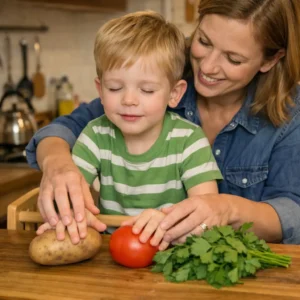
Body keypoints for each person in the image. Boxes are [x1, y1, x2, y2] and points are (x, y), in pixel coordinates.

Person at [26, 0, 300, 245]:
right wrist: (57, 164)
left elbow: (294, 212)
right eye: (203, 41)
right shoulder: (161, 67)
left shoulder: (291, 113)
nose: (207, 67)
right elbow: (68, 128)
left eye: (233, 59)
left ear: (271, 59)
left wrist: (227, 209)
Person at [35, 11, 222, 249]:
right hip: (111, 254)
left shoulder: (189, 140)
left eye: (147, 90)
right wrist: (68, 215)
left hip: (172, 252)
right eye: (114, 88)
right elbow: (72, 194)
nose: (129, 100)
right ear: (100, 90)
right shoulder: (95, 136)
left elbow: (207, 210)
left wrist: (166, 223)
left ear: (174, 94)